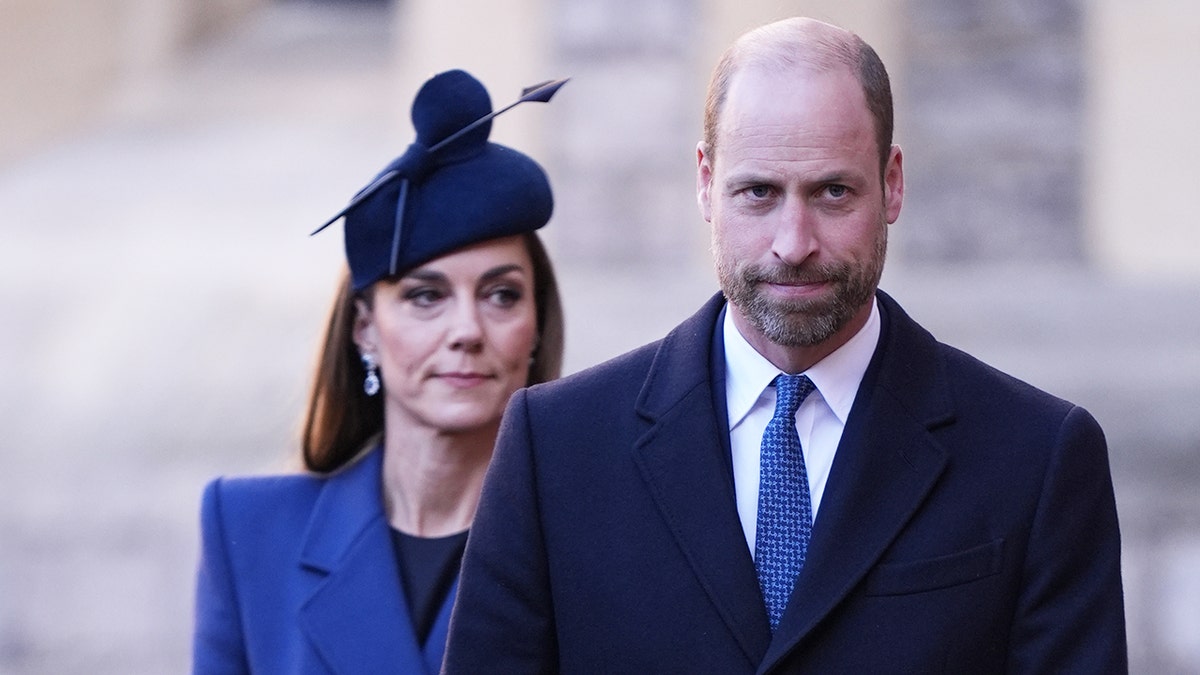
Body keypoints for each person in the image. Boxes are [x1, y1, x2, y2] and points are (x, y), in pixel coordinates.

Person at [442, 18, 1126, 673]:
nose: (793, 243)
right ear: (707, 182)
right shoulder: (555, 448)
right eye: (759, 193)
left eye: (832, 192)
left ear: (892, 184)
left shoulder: (1037, 457)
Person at [191, 68, 567, 674]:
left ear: (537, 324)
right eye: (425, 296)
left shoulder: (595, 540)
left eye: (501, 295)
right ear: (365, 328)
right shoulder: (250, 530)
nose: (467, 331)